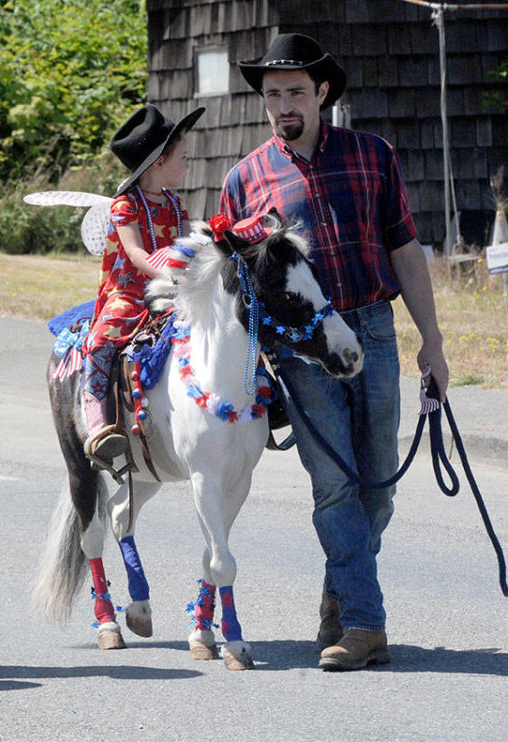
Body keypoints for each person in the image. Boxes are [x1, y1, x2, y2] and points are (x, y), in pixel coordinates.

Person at [221, 33, 449, 672]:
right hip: (302, 353)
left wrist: (432, 342)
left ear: (322, 93)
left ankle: (342, 594)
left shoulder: (373, 156)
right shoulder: (244, 180)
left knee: (378, 487)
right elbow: (239, 286)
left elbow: (405, 249)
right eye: (272, 94)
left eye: (295, 92)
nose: (283, 105)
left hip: (373, 330)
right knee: (334, 486)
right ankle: (364, 623)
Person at [82, 104, 203, 469]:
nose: (188, 164)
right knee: (102, 338)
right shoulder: (125, 205)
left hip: (174, 289)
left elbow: (187, 245)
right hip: (132, 291)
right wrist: (168, 274)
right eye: (183, 158)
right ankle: (96, 419)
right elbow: (135, 253)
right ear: (158, 163)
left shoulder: (176, 204)